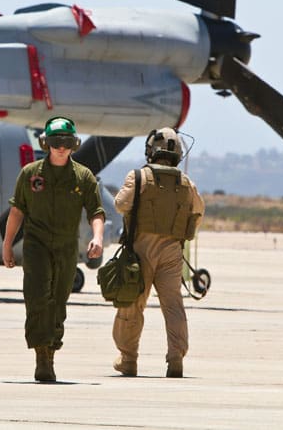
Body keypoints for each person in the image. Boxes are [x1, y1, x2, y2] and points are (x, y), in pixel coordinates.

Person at [2, 116, 105, 382]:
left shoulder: (83, 177)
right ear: (46, 143)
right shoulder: (30, 174)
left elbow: (96, 211)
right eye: (56, 141)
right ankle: (42, 356)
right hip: (36, 245)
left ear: (74, 144)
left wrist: (97, 237)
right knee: (37, 297)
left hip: (66, 247)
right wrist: (7, 245)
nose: (61, 147)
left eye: (67, 142)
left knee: (58, 302)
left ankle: (51, 349)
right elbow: (17, 211)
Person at [111, 127, 205, 378]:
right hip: (172, 251)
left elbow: (120, 204)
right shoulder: (186, 183)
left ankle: (128, 359)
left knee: (132, 304)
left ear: (151, 149)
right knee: (173, 306)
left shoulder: (138, 177)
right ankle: (176, 358)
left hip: (140, 251)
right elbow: (198, 212)